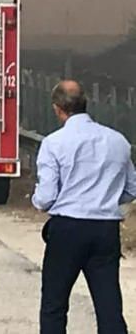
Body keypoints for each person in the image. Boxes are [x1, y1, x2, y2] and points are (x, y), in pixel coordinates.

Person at [32, 80, 136, 333]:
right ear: (85, 104)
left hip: (67, 228)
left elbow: (45, 197)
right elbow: (132, 188)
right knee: (108, 304)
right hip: (105, 230)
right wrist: (106, 198)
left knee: (54, 304)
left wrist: (40, 201)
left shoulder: (54, 143)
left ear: (58, 109)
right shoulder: (117, 140)